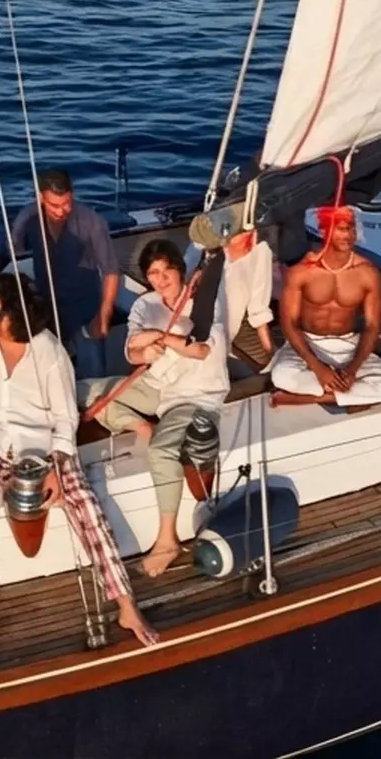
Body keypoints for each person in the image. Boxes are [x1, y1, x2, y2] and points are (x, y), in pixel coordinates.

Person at [0, 275, 157, 645]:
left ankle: (124, 601)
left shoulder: (47, 351)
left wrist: (55, 466)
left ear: (16, 315)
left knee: (84, 503)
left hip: (45, 446)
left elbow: (65, 417)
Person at [84, 239, 229, 576]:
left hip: (196, 395)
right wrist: (144, 351)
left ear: (180, 268)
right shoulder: (145, 305)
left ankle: (168, 539)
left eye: (167, 270)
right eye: (153, 273)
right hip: (158, 387)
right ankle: (140, 426)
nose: (162, 279)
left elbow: (201, 350)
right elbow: (131, 350)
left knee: (162, 451)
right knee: (85, 392)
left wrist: (159, 340)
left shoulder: (205, 300)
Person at [0, 170, 122, 381]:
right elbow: (6, 253)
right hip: (45, 308)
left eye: (67, 203)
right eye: (54, 205)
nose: (62, 210)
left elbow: (111, 271)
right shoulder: (28, 217)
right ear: (41, 198)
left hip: (85, 309)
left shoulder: (93, 222)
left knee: (94, 373)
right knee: (47, 373)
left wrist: (103, 315)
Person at [269, 206, 381, 408]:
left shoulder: (368, 273)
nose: (347, 235)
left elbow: (373, 325)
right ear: (324, 232)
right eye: (340, 229)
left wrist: (352, 370)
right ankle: (348, 394)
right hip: (309, 341)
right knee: (281, 375)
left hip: (348, 344)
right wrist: (318, 368)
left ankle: (319, 397)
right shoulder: (302, 271)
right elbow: (289, 323)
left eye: (351, 229)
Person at [187, 229, 276, 372]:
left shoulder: (260, 248)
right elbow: (185, 269)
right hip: (196, 322)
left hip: (232, 328)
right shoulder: (207, 240)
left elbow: (259, 308)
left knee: (268, 367)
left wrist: (271, 352)